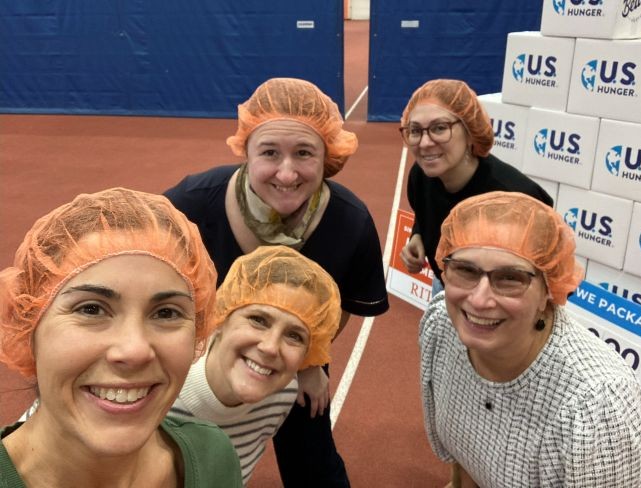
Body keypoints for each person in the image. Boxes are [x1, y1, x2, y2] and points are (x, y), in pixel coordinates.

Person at [165, 77, 389, 487]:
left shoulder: (349, 221)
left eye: (304, 153)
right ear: (245, 152)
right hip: (197, 362)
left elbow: (339, 310)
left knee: (313, 459)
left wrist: (310, 361)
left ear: (328, 158)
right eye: (270, 153)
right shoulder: (193, 203)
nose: (286, 174)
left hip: (291, 359)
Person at [0, 188, 243, 487]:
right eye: (91, 309)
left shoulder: (212, 457)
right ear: (25, 325)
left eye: (166, 313)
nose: (135, 350)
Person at [419, 191, 641, 487]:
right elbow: (463, 457)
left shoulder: (595, 409)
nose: (478, 300)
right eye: (465, 270)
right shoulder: (441, 326)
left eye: (510, 278)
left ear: (547, 292)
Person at [170, 245, 341, 485]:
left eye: (295, 336)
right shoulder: (163, 388)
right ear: (220, 318)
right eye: (258, 320)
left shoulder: (281, 396)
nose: (270, 347)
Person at [398, 79, 553, 284]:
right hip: (448, 283)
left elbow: (548, 275)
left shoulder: (515, 198)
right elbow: (426, 211)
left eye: (440, 128)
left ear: (471, 132)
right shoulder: (421, 176)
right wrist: (418, 236)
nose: (425, 142)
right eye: (415, 131)